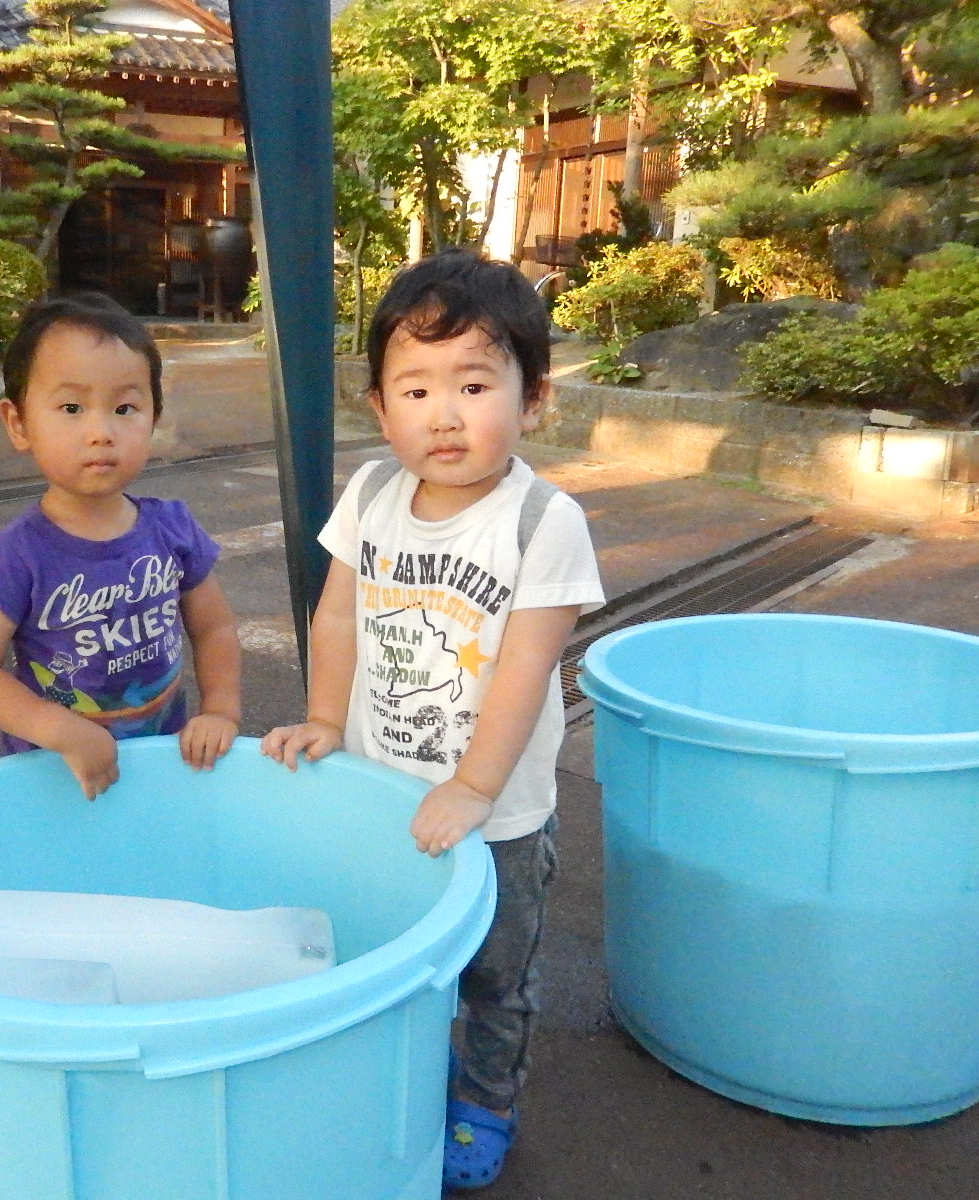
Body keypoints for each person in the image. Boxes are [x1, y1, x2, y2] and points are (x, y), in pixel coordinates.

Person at [261, 249, 604, 1190]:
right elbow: (338, 614)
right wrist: (324, 719)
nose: (443, 413)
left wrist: (473, 786)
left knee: (495, 976)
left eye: (474, 385)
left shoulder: (543, 521)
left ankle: (486, 1099)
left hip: (496, 818)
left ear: (533, 399)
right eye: (415, 389)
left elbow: (528, 668)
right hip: (384, 795)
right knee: (394, 949)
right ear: (381, 407)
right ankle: (406, 1071)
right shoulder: (372, 494)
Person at [0, 293, 242, 799]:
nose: (101, 432)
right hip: (56, 777)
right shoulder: (20, 555)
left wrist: (220, 711)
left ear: (153, 416)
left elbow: (214, 627)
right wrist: (60, 730)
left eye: (124, 408)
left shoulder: (172, 529)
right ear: (18, 423)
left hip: (162, 764)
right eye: (71, 408)